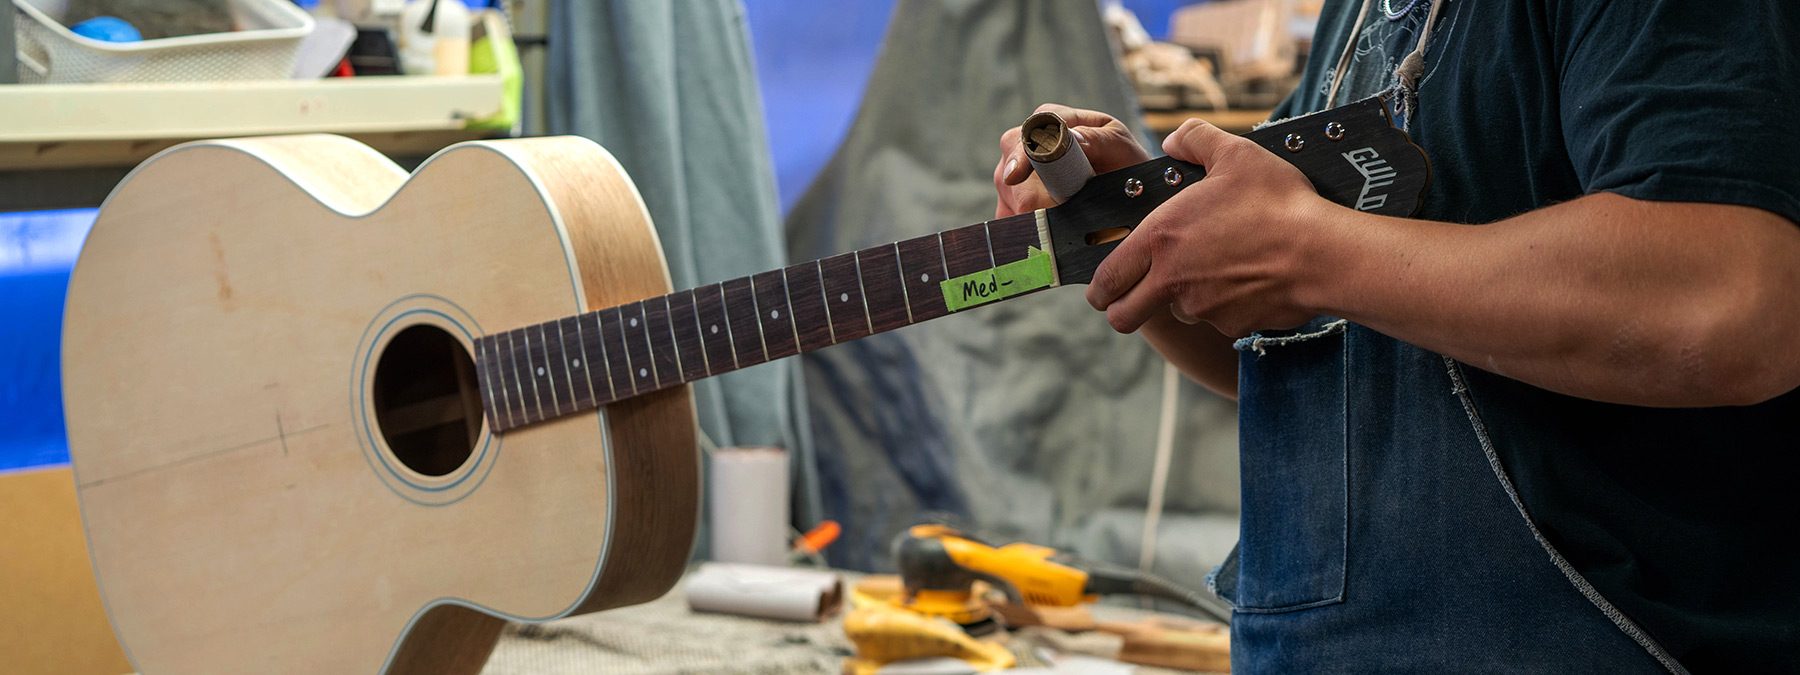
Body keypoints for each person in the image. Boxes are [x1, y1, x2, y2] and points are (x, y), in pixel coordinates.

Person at [993, 1, 1800, 672]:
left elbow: (1731, 299)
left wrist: (1305, 253)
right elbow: (1324, 367)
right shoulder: (1362, 16)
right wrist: (1153, 238)